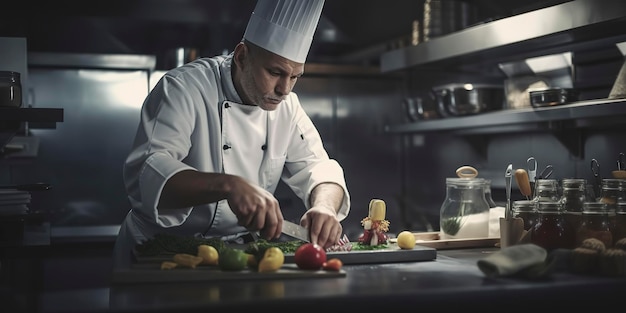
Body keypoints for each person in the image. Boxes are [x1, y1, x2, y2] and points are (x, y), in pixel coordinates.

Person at [113, 0, 350, 268]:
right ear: (241, 56)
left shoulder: (287, 106)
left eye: (295, 76)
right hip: (158, 251)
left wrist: (325, 207)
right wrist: (230, 185)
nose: (285, 89)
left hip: (233, 257)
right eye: (275, 72)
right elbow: (149, 171)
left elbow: (318, 168)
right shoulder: (184, 88)